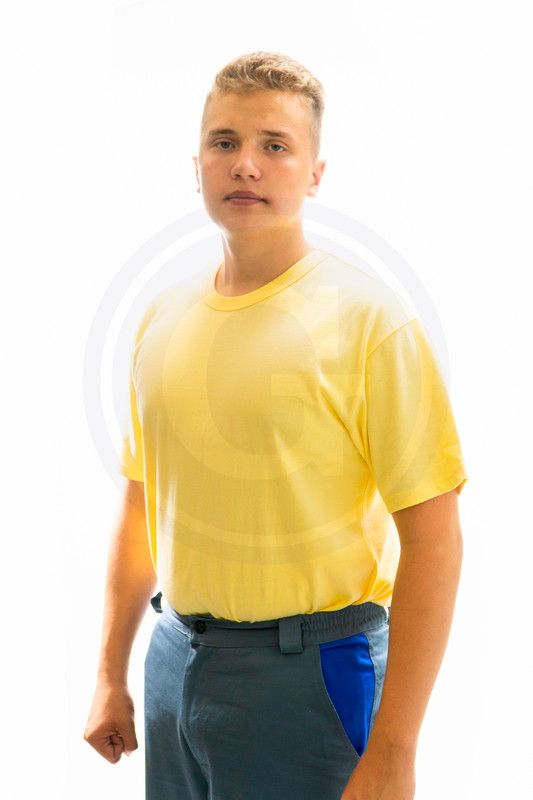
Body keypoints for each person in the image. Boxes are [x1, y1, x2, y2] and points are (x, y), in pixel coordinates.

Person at [84, 51, 468, 800]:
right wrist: (109, 672)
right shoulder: (161, 317)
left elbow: (434, 536)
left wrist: (394, 748)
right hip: (173, 661)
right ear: (196, 164)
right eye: (224, 142)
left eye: (275, 145)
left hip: (309, 678)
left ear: (314, 173)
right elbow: (141, 504)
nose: (245, 165)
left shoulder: (369, 321)